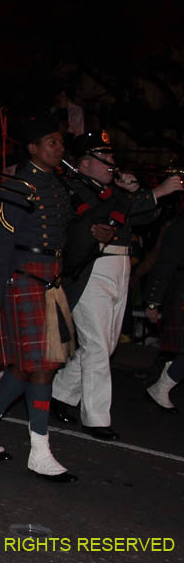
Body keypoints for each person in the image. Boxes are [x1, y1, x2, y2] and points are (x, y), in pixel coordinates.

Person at [0, 116, 85, 482]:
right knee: (43, 364)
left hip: (49, 277)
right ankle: (40, 449)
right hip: (23, 279)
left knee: (25, 365)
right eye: (52, 142)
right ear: (32, 147)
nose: (59, 148)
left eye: (60, 142)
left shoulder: (58, 185)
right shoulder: (17, 185)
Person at [51, 132, 182, 439]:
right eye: (105, 159)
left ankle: (60, 393)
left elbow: (143, 218)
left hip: (119, 268)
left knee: (105, 345)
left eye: (111, 158)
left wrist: (139, 191)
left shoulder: (111, 191)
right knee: (97, 344)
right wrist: (155, 192)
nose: (112, 164)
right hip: (92, 269)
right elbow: (106, 214)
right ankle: (96, 418)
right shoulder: (77, 188)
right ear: (84, 164)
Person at [144, 209, 184, 413]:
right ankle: (162, 386)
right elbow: (165, 264)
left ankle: (164, 383)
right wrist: (153, 302)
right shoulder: (179, 226)